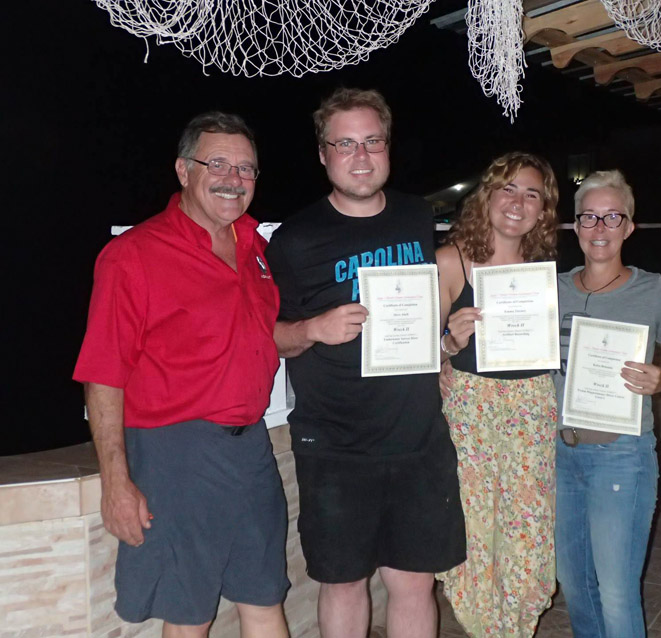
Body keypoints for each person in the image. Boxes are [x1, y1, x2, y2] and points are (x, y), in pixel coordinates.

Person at [73, 112, 290, 638]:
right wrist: (116, 481)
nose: (233, 178)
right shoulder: (134, 255)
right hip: (176, 455)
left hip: (251, 449)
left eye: (246, 168)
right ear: (182, 170)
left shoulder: (254, 248)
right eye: (216, 163)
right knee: (191, 613)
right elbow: (103, 373)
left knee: (265, 596)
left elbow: (258, 337)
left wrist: (314, 331)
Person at [265, 88, 466, 638]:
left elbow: (432, 307)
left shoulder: (416, 215)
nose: (361, 156)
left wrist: (449, 337)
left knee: (414, 584)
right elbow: (268, 337)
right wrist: (312, 329)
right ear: (324, 154)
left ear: (388, 147)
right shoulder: (295, 239)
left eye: (372, 141)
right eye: (345, 143)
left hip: (418, 437)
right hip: (335, 446)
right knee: (344, 582)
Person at [553, 170, 661, 638]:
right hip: (557, 455)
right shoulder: (549, 291)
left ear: (629, 226)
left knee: (616, 593)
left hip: (621, 456)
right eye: (589, 217)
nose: (600, 228)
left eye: (612, 217)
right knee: (575, 587)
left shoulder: (654, 291)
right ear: (575, 227)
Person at [435, 152, 561, 637]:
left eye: (532, 194)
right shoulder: (450, 261)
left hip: (531, 407)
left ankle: (517, 629)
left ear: (543, 209)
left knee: (528, 535)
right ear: (486, 196)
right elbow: (417, 354)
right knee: (474, 534)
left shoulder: (542, 265)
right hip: (471, 410)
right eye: (508, 189)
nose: (518, 202)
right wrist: (449, 343)